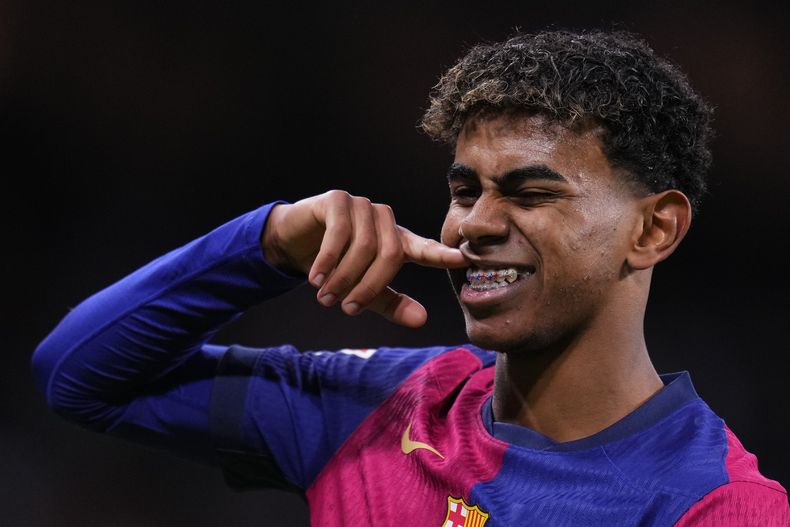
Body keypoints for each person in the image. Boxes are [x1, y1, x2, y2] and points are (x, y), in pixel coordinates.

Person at [32, 29, 788, 526]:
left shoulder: (716, 505)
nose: (474, 223)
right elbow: (79, 375)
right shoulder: (379, 408)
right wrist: (265, 243)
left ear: (653, 230)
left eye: (530, 193)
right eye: (464, 191)